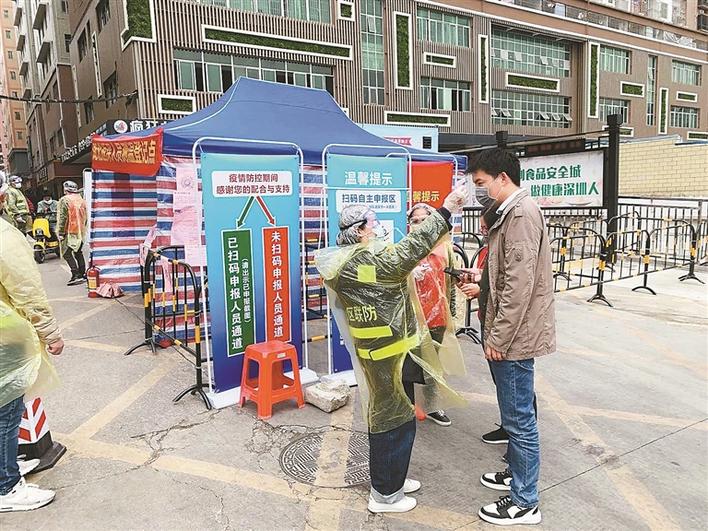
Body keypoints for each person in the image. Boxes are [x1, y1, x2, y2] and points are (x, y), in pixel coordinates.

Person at [315, 186, 468, 514]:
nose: (379, 227)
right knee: (393, 421)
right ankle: (385, 494)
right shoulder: (371, 261)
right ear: (359, 231)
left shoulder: (344, 261)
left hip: (384, 352)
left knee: (396, 414)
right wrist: (445, 209)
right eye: (373, 223)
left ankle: (393, 479)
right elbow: (411, 248)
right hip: (388, 354)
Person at [469, 148, 555, 526]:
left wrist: (498, 338)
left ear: (503, 178)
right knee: (514, 414)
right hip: (511, 332)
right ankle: (516, 475)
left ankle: (525, 501)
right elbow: (505, 274)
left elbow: (519, 287)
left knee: (519, 421)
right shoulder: (510, 213)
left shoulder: (520, 215)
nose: (480, 191)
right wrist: (481, 286)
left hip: (515, 338)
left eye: (481, 183)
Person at [0, 172, 63, 512]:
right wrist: (51, 334)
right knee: (7, 412)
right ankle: (6, 487)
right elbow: (27, 292)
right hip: (5, 338)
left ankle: (5, 467)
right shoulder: (4, 238)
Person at [408, 203, 459, 427]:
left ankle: (431, 405)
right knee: (408, 363)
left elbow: (452, 283)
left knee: (432, 364)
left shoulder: (445, 248)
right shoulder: (405, 248)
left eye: (424, 220)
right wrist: (409, 274)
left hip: (437, 316)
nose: (419, 225)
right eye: (414, 221)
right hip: (411, 318)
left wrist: (451, 314)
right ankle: (407, 405)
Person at [56, 181, 88, 286]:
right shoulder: (81, 200)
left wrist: (61, 232)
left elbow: (63, 217)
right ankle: (83, 273)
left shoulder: (65, 200)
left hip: (69, 231)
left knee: (66, 253)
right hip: (80, 231)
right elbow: (86, 216)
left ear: (66, 189)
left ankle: (75, 274)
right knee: (78, 252)